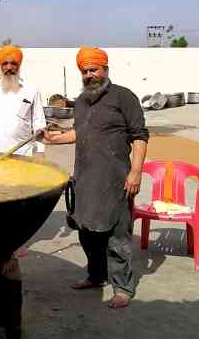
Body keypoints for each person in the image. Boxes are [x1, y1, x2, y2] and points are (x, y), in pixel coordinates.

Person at [44, 47, 149, 309]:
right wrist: (54, 139)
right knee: (87, 233)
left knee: (117, 236)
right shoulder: (80, 102)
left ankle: (122, 288)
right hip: (85, 180)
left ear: (105, 69)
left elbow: (140, 135)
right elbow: (81, 133)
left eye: (94, 69)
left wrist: (135, 171)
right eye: (85, 71)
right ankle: (95, 276)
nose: (89, 75)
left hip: (116, 180)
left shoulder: (124, 97)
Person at [0, 44, 46, 156]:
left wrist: (40, 150)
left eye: (13, 63)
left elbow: (39, 122)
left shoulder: (32, 90)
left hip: (23, 154)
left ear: (19, 65)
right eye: (5, 63)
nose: (9, 67)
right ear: (0, 66)